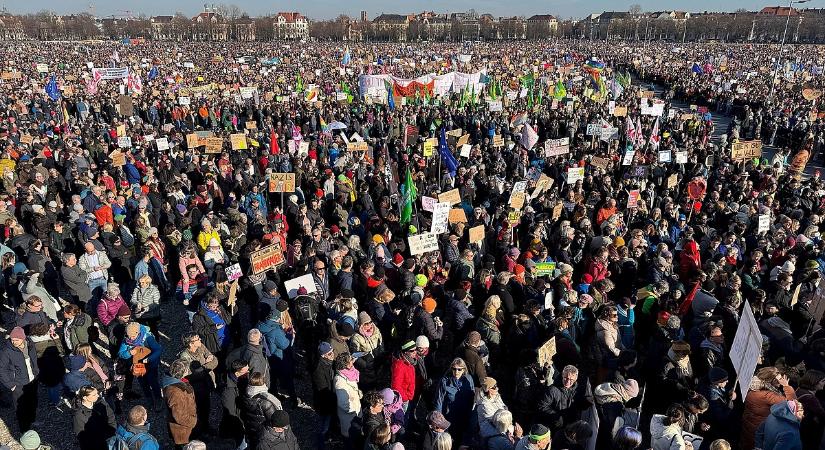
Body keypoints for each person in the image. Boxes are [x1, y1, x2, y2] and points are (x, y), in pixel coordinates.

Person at [741, 367, 796, 450]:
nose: (780, 383)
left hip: (750, 427)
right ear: (772, 380)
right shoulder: (768, 395)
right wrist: (786, 386)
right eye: (778, 380)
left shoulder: (752, 387)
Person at [178, 332, 218, 439]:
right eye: (197, 339)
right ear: (191, 344)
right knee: (197, 411)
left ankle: (206, 427)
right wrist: (206, 364)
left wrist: (202, 368)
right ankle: (198, 433)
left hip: (206, 384)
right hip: (196, 389)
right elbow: (190, 375)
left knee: (207, 408)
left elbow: (215, 361)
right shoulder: (184, 357)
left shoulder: (201, 347)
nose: (200, 340)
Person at [0, 327, 40, 431]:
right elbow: (1, 369)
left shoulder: (30, 345)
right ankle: (24, 429)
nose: (14, 342)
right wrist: (10, 385)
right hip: (18, 384)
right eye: (12, 339)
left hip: (32, 380)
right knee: (20, 407)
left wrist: (36, 371)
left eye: (16, 340)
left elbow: (34, 359)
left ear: (23, 338)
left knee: (32, 401)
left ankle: (32, 420)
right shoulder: (6, 351)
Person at [433, 358, 475, 444]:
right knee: (449, 440)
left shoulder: (468, 379)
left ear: (464, 370)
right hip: (449, 416)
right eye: (454, 369)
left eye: (459, 369)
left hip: (464, 415)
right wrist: (438, 420)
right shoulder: (444, 381)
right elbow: (439, 401)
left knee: (461, 439)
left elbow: (472, 396)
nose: (457, 372)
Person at [241, 371, 283, 449]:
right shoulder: (266, 402)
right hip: (265, 434)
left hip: (252, 431)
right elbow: (275, 421)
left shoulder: (245, 396)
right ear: (263, 382)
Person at [162, 359, 198, 449]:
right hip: (182, 431)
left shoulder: (174, 381)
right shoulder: (175, 392)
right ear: (183, 372)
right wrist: (194, 421)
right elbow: (179, 416)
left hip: (185, 426)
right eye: (187, 369)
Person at [72, 385, 116, 450]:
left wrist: (112, 430)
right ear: (85, 397)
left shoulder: (101, 402)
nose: (98, 396)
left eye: (97, 393)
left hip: (109, 436)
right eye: (94, 395)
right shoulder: (79, 415)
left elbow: (111, 416)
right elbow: (81, 436)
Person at [334, 352, 363, 443]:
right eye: (350, 360)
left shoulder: (350, 373)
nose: (352, 361)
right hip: (350, 416)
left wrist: (358, 394)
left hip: (356, 409)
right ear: (345, 364)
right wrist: (354, 411)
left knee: (357, 435)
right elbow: (343, 404)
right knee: (350, 439)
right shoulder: (340, 381)